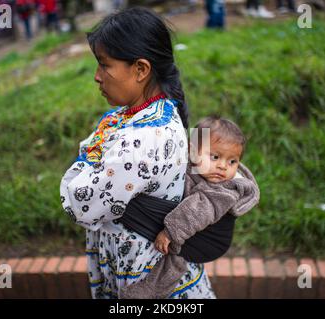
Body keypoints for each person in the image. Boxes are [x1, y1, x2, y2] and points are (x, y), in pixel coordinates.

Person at [60, 7, 217, 299]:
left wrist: (83, 164)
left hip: (148, 284)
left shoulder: (142, 139)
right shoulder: (133, 115)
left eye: (105, 65)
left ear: (141, 69)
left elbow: (80, 203)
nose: (97, 76)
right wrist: (90, 162)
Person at [119, 116, 260, 299]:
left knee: (173, 260)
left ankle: (146, 293)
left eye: (232, 161)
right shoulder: (192, 163)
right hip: (185, 223)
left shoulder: (225, 190)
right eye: (215, 157)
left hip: (203, 239)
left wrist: (170, 232)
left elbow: (198, 209)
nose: (223, 166)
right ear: (193, 152)